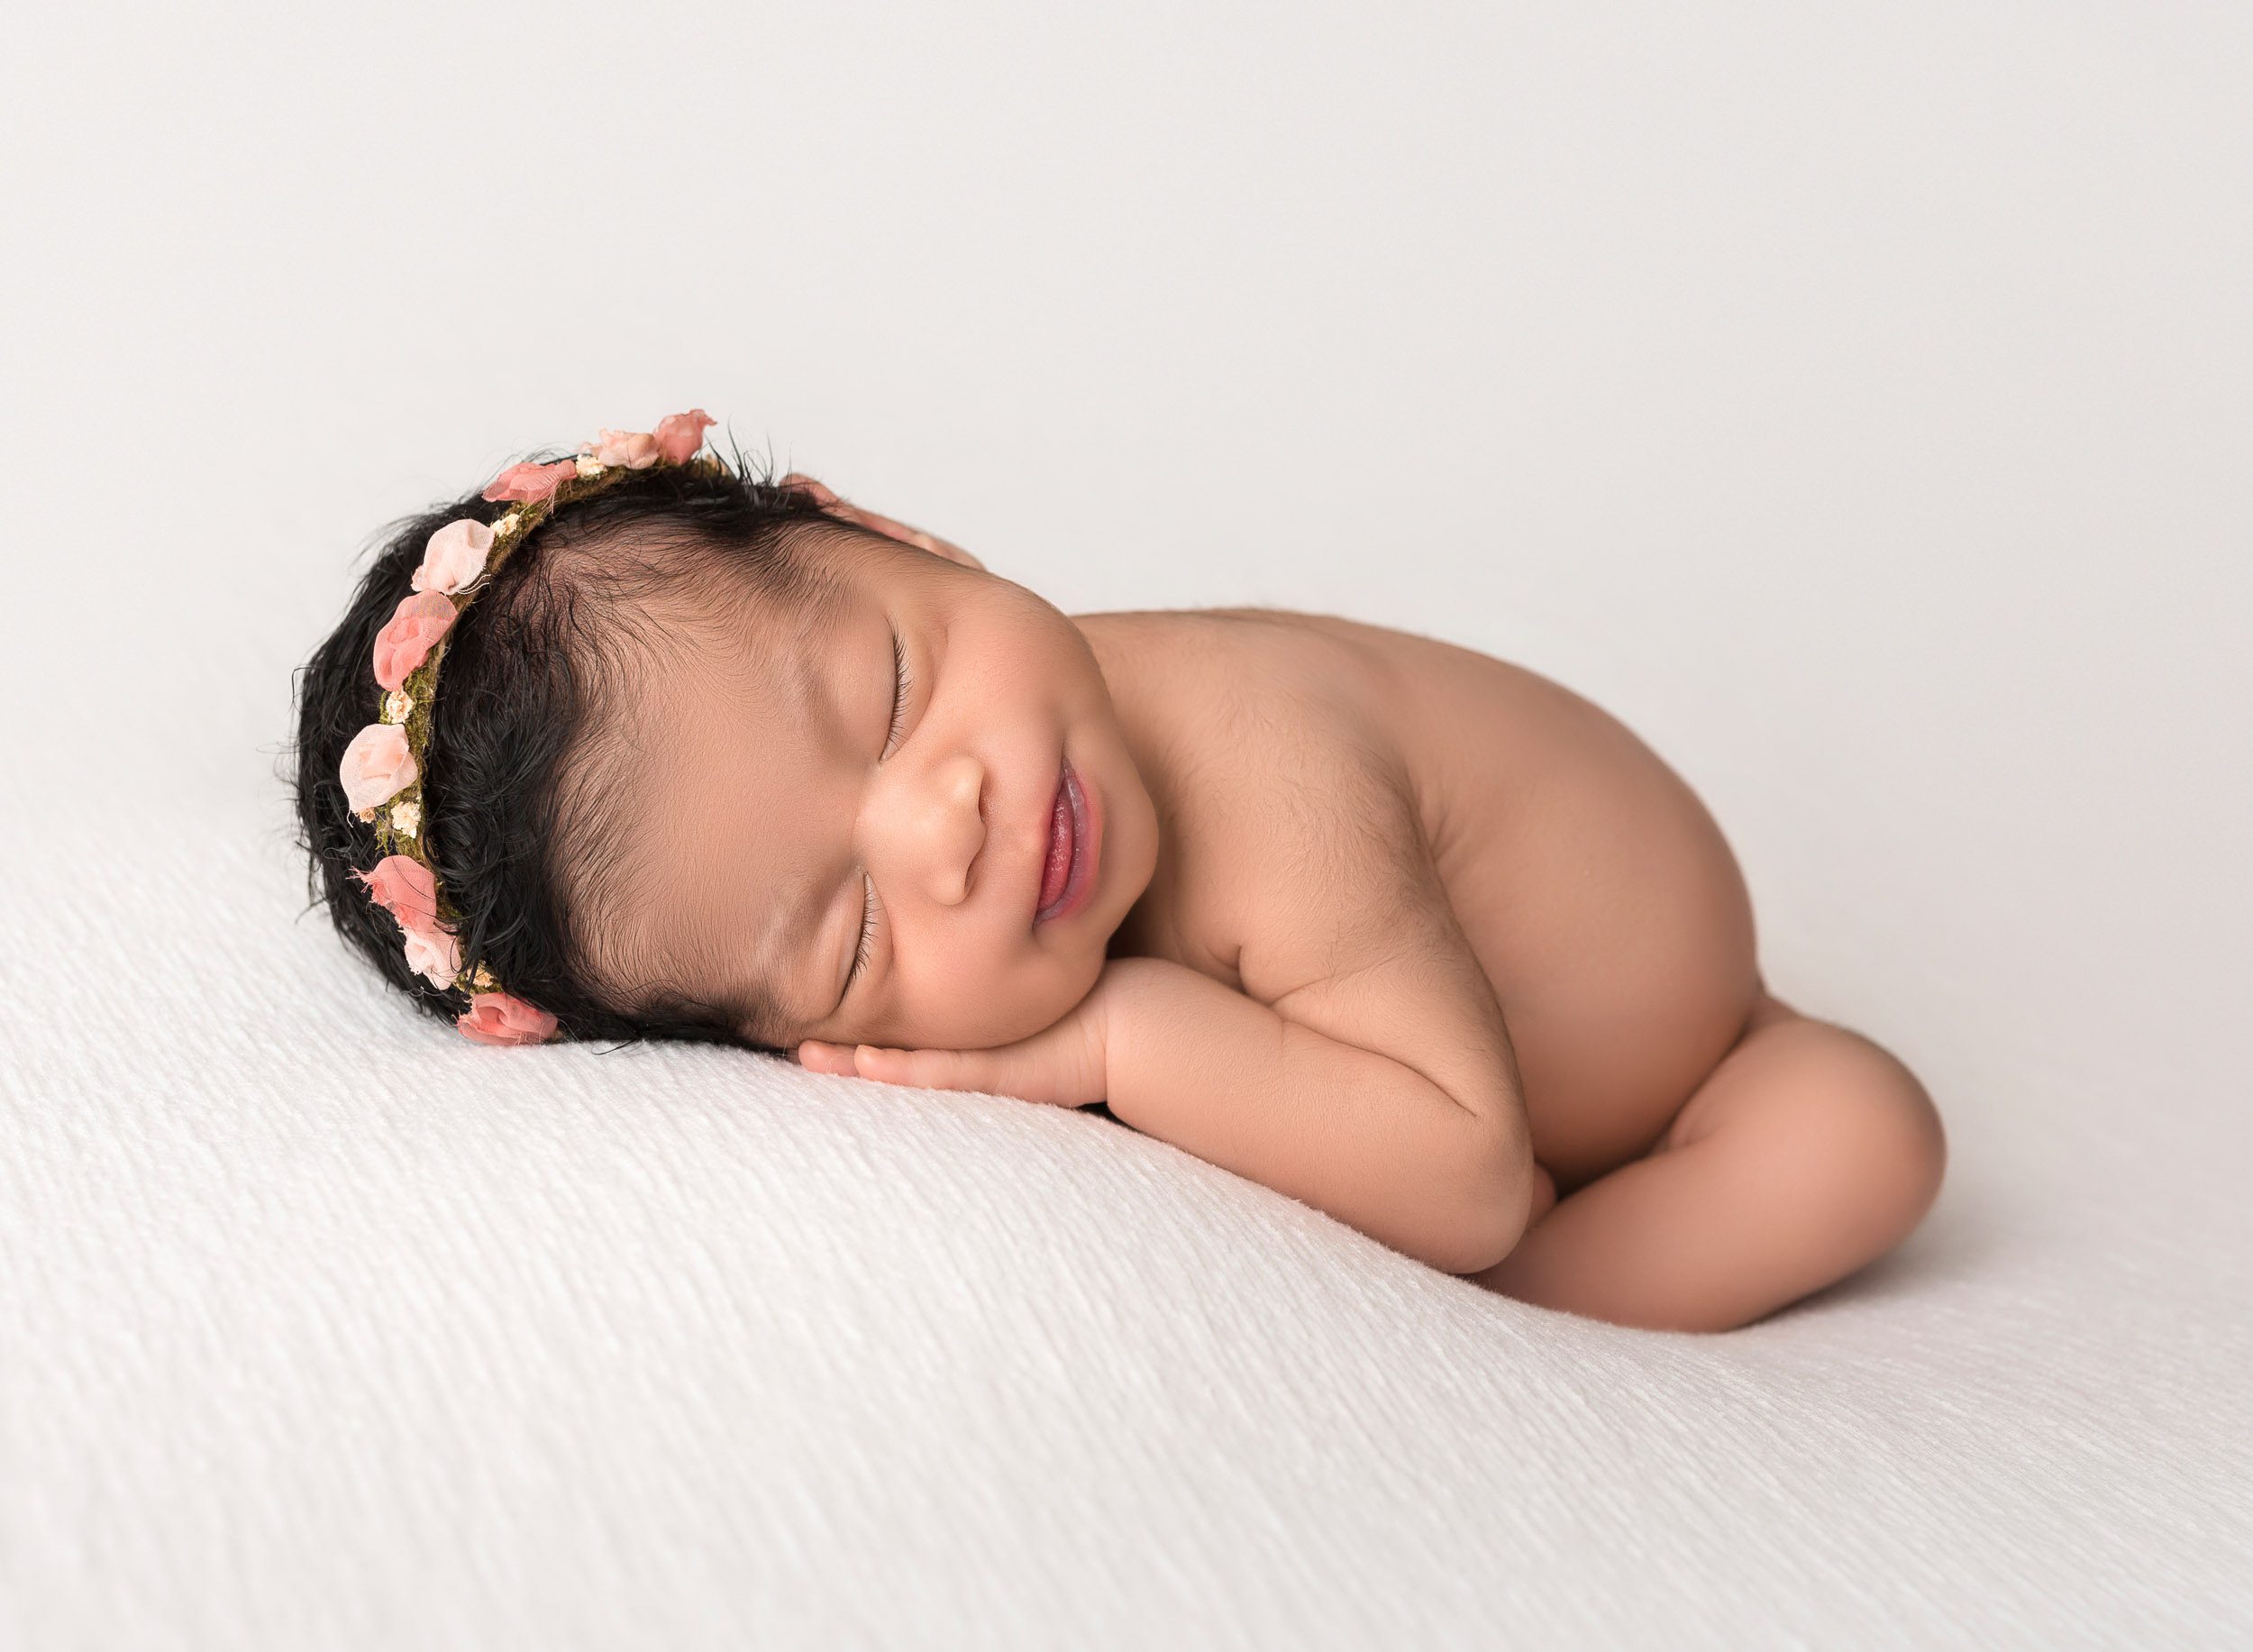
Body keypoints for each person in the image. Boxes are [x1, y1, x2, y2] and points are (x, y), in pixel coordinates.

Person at [292, 409, 1946, 1333]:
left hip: (1700, 1063)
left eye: (889, 692)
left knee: (1858, 1136)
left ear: (905, 538)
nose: (944, 829)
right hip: (1499, 1090)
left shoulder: (1258, 750)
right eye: (852, 928)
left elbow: (1468, 1174)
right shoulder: (1015, 821)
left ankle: (1531, 1343)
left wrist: (1117, 1046)